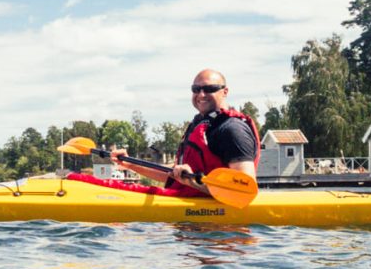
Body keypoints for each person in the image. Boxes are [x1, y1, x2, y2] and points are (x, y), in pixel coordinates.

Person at [111, 69, 260, 197]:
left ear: (225, 91)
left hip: (221, 226)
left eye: (209, 89)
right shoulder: (202, 126)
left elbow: (244, 190)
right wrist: (131, 164)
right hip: (193, 224)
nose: (201, 95)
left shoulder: (232, 130)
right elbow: (174, 174)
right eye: (196, 89)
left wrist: (191, 182)